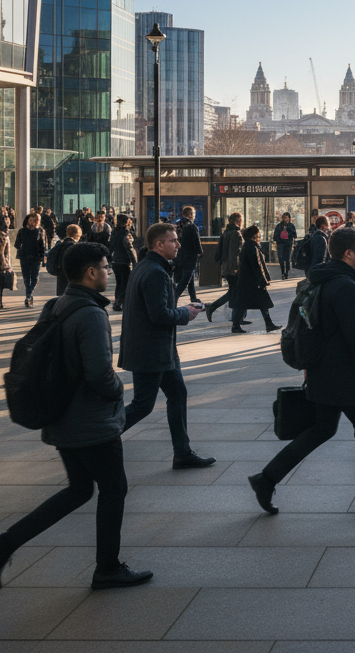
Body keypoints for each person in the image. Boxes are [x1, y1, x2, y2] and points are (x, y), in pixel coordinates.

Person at [0, 242, 154, 590]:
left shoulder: (56, 305)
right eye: (105, 266)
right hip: (92, 424)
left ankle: (6, 543)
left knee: (80, 490)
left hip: (61, 417)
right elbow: (99, 375)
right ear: (90, 273)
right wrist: (119, 391)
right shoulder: (91, 314)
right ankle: (108, 568)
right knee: (114, 489)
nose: (109, 271)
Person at [246, 228, 355, 514]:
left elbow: (316, 325)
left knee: (323, 428)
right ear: (347, 253)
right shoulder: (344, 284)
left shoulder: (325, 277)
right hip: (343, 371)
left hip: (323, 367)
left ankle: (266, 478)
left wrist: (310, 364)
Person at [119, 222, 215, 470]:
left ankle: (182, 453)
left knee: (177, 394)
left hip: (159, 350)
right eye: (173, 240)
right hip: (152, 350)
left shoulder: (147, 267)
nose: (179, 244)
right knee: (142, 405)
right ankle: (96, 440)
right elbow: (159, 315)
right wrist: (186, 312)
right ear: (159, 244)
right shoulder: (154, 272)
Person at [231, 226, 279, 334]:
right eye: (258, 233)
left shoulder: (249, 246)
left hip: (247, 280)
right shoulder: (251, 247)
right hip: (251, 281)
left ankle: (268, 324)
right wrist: (263, 280)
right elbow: (257, 266)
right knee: (250, 303)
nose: (260, 235)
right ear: (255, 235)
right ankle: (237, 326)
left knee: (254, 303)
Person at [206, 212, 243, 322]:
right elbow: (235, 253)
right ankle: (213, 307)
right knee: (234, 292)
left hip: (226, 266)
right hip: (232, 268)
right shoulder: (236, 234)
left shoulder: (226, 232)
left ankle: (237, 318)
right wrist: (235, 269)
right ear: (237, 221)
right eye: (241, 220)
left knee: (234, 292)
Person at [14, 211, 46, 307]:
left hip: (36, 257)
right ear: (27, 220)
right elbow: (16, 244)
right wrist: (21, 247)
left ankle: (29, 294)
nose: (32, 222)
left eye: (34, 220)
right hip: (24, 257)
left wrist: (43, 258)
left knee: (35, 278)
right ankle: (28, 296)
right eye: (31, 220)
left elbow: (42, 245)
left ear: (37, 221)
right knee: (26, 278)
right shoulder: (22, 231)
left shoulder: (40, 231)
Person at [173, 206, 202, 302]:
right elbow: (196, 242)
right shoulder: (192, 226)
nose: (194, 216)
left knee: (190, 278)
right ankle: (174, 298)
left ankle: (193, 297)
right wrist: (200, 253)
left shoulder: (177, 225)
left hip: (179, 255)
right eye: (193, 214)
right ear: (190, 214)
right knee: (185, 280)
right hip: (190, 256)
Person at [109, 214, 137, 312]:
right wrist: (134, 261)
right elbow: (129, 248)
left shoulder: (114, 232)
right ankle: (121, 302)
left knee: (119, 283)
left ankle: (117, 301)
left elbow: (110, 246)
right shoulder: (127, 234)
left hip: (115, 261)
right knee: (126, 283)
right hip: (125, 261)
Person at [52, 224, 81, 297]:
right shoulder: (75, 246)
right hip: (72, 276)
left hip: (61, 274)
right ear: (77, 234)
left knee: (62, 296)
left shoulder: (61, 245)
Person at [273, 212, 297, 279]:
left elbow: (294, 235)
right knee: (281, 258)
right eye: (284, 217)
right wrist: (278, 240)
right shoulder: (279, 226)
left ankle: (287, 272)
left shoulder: (291, 226)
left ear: (289, 218)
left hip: (288, 244)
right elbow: (275, 236)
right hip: (280, 244)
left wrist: (289, 234)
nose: (286, 219)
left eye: (287, 218)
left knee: (287, 259)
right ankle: (283, 272)